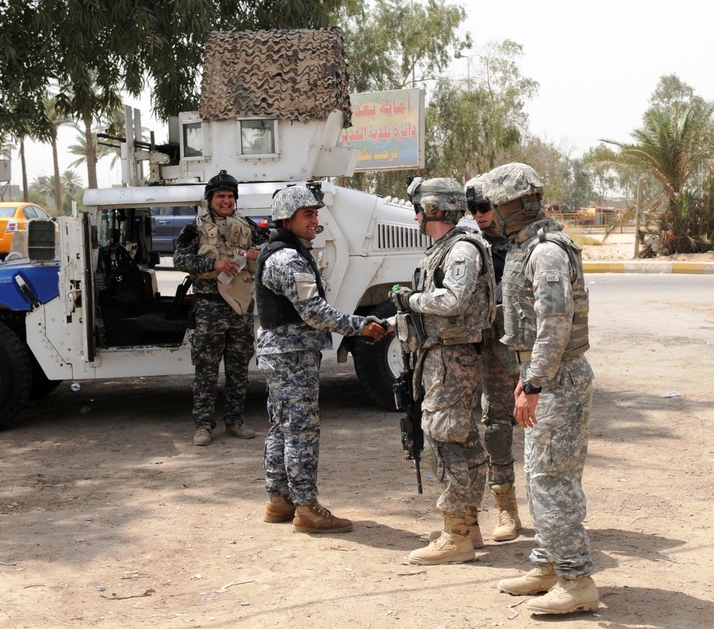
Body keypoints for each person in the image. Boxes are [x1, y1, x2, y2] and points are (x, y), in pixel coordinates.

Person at [483, 162, 598, 615]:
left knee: (552, 480)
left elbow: (554, 324)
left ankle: (576, 579)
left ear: (518, 205)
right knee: (539, 475)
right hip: (543, 375)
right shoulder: (527, 247)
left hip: (556, 379)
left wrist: (533, 382)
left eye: (497, 205)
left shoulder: (546, 252)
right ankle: (548, 563)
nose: (490, 213)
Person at [254, 183, 389, 534]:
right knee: (301, 431)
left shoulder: (281, 252)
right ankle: (307, 508)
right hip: (292, 354)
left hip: (281, 352)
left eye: (316, 213)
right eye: (307, 215)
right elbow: (314, 312)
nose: (315, 221)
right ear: (287, 219)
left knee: (282, 428)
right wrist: (361, 326)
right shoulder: (288, 259)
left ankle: (279, 500)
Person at [389, 176, 494, 565]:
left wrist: (411, 300)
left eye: (419, 208)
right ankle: (466, 524)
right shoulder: (445, 248)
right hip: (441, 356)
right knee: (460, 439)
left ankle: (456, 534)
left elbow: (453, 299)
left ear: (432, 209)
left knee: (445, 439)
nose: (416, 216)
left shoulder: (461, 249)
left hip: (452, 358)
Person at [173, 169, 260, 447]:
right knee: (206, 370)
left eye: (230, 196)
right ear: (209, 199)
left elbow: (267, 251)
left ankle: (235, 420)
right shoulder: (194, 228)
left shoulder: (247, 226)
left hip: (240, 308)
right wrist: (213, 264)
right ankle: (203, 425)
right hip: (210, 307)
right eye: (221, 196)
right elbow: (180, 259)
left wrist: (256, 254)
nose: (226, 200)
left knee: (238, 369)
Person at [465, 175, 523, 542]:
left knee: (501, 428)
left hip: (507, 347)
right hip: (471, 347)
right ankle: (473, 512)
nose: (479, 215)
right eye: (473, 210)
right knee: (465, 430)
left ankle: (508, 510)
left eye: (484, 207)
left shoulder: (522, 245)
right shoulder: (468, 247)